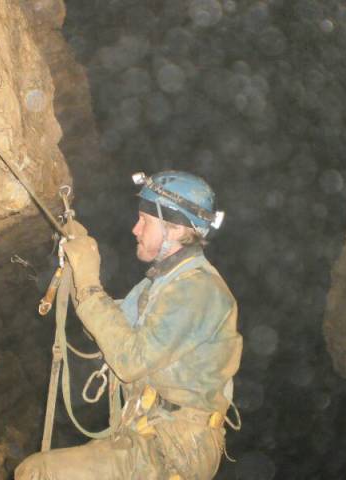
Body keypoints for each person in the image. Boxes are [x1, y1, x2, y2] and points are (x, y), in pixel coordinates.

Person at [15, 171, 242, 480]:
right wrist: (80, 271)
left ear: (174, 229)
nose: (135, 229)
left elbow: (129, 361)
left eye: (144, 221)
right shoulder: (160, 284)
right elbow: (109, 331)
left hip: (174, 448)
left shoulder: (198, 290)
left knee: (39, 473)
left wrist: (89, 284)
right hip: (145, 431)